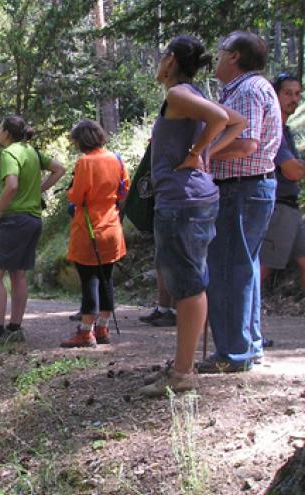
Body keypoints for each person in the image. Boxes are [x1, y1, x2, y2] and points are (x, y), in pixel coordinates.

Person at [138, 35, 245, 396]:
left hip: (182, 201)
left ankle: (183, 375)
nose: (159, 63)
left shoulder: (179, 94)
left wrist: (197, 151)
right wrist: (204, 153)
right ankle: (182, 368)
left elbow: (223, 119)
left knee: (187, 285)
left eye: (161, 56)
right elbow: (238, 122)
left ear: (170, 60)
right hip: (193, 198)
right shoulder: (194, 94)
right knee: (189, 282)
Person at [200, 31, 282, 373]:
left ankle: (234, 353)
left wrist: (202, 153)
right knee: (243, 266)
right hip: (249, 188)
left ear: (234, 57)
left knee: (228, 269)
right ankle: (248, 346)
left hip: (241, 188)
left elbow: (247, 143)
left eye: (222, 52)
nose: (217, 58)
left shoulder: (248, 90)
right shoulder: (247, 88)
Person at [0, 117, 65, 341]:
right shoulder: (32, 152)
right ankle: (15, 328)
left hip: (13, 218)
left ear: (7, 133)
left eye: (0, 129)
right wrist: (39, 189)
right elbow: (59, 169)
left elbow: (11, 185)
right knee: (18, 273)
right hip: (33, 219)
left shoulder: (9, 153)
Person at [60, 120, 129, 348]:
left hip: (89, 227)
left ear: (82, 140)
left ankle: (85, 332)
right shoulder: (116, 158)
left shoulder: (85, 162)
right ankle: (103, 327)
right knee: (106, 277)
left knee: (89, 278)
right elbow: (124, 190)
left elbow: (78, 197)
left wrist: (70, 191)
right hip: (112, 225)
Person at [260, 73, 305, 291]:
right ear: (275, 95)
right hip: (278, 207)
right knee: (262, 267)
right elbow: (292, 171)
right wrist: (296, 166)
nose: (294, 99)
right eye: (287, 93)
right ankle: (239, 320)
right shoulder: (273, 128)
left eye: (297, 94)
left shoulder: (285, 130)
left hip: (292, 208)